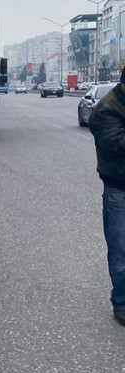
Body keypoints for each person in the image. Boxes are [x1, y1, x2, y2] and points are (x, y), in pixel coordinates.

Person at [89, 72, 125, 326]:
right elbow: (117, 144)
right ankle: (122, 302)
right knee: (121, 250)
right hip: (119, 189)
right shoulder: (106, 109)